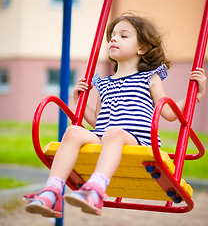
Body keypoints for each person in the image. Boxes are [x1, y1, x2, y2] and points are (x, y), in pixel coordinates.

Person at [23, 13, 206, 218]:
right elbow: (99, 121)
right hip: (107, 135)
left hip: (138, 140)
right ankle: (52, 192)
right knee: (74, 130)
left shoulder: (150, 78)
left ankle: (96, 189)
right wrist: (80, 105)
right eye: (112, 35)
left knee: (114, 133)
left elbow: (169, 113)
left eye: (123, 35)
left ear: (142, 48)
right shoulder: (105, 83)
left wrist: (194, 97)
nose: (114, 38)